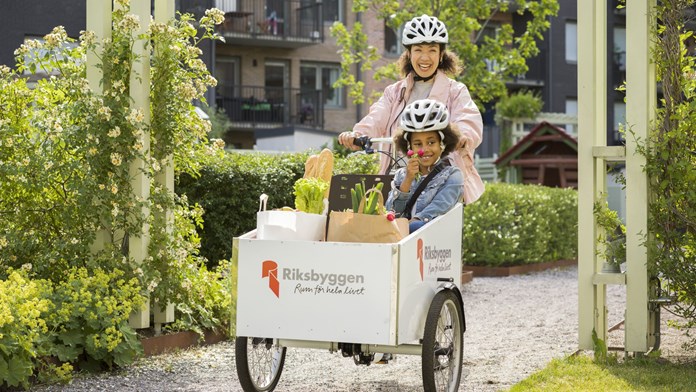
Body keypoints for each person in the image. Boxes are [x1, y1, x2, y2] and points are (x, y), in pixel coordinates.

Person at [338, 14, 484, 205]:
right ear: (409, 54)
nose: (425, 57)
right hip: (397, 178)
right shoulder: (395, 92)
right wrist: (358, 134)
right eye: (418, 50)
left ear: (441, 55)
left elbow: (467, 119)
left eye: (432, 50)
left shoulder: (455, 91)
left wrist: (464, 137)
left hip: (439, 181)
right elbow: (376, 117)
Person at [385, 99, 463, 233]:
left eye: (431, 142)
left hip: (430, 239)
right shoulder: (401, 175)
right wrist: (408, 179)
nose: (425, 149)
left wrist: (411, 224)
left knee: (416, 227)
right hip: (401, 237)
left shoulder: (453, 174)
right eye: (418, 144)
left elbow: (440, 205)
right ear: (409, 147)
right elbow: (392, 212)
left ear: (442, 144)